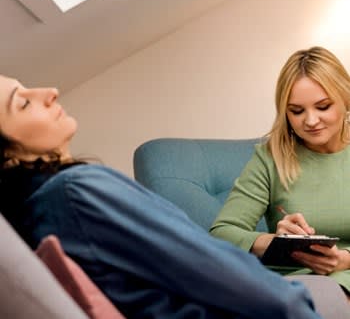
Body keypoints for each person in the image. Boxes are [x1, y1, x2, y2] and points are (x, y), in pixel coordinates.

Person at [0, 75, 326, 319]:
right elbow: (212, 269)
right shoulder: (76, 191)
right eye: (22, 103)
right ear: (7, 157)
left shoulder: (39, 213)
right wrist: (295, 304)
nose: (49, 92)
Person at [210, 46, 350, 301]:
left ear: (346, 98)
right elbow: (222, 232)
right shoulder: (270, 157)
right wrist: (276, 241)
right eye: (296, 111)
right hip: (293, 283)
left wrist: (344, 260)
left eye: (323, 106)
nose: (310, 120)